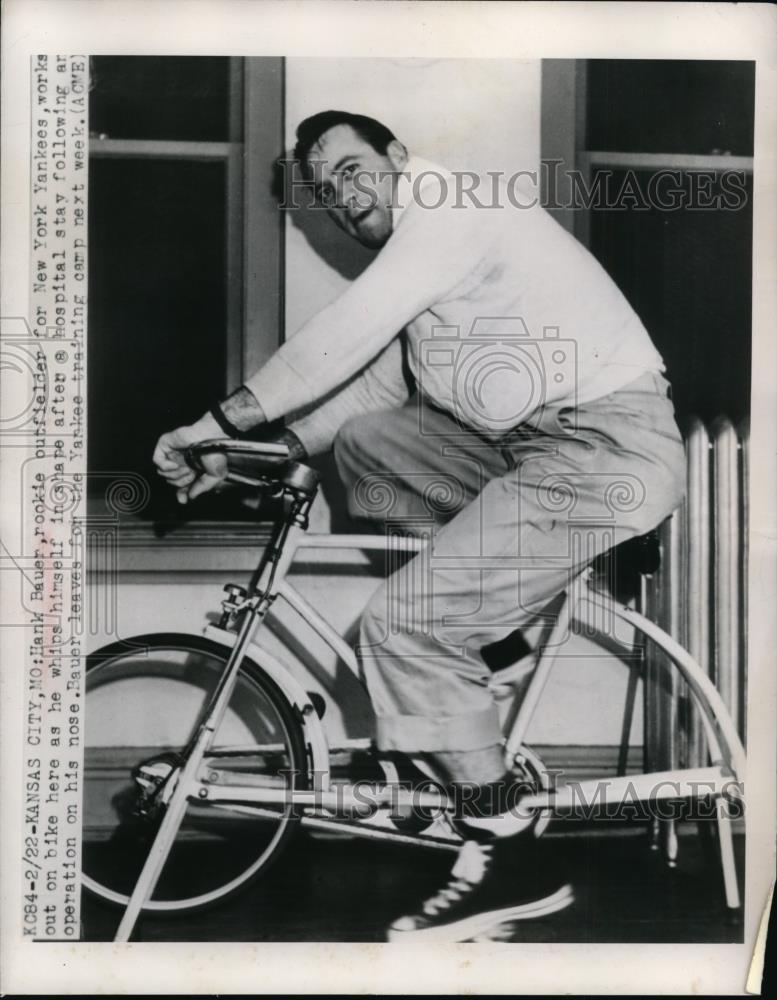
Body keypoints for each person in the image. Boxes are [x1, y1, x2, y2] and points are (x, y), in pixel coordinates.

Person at [153, 110, 686, 941]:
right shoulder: (429, 264)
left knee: (401, 625)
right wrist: (260, 448)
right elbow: (365, 396)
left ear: (401, 157)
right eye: (325, 189)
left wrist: (217, 420)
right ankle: (481, 644)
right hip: (531, 455)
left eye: (353, 168)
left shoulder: (451, 206)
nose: (341, 194)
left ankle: (511, 851)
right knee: (370, 443)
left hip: (603, 453)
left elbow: (340, 335)